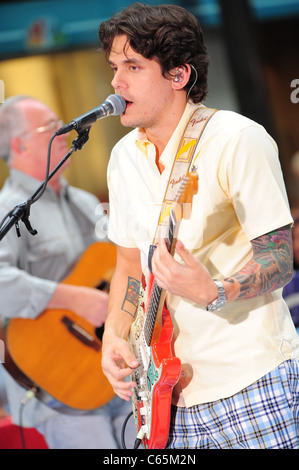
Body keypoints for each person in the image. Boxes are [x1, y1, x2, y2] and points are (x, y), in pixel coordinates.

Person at [98, 3, 299, 449]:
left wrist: (215, 292)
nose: (116, 82)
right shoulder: (123, 158)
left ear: (178, 75)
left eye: (132, 66)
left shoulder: (236, 139)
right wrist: (114, 333)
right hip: (167, 396)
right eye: (114, 67)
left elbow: (280, 257)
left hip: (249, 379)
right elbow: (130, 265)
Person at [0, 95, 135, 449]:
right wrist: (74, 298)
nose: (65, 132)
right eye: (50, 126)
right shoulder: (5, 209)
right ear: (20, 144)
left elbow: (119, 265)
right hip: (58, 383)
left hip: (113, 370)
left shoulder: (86, 203)